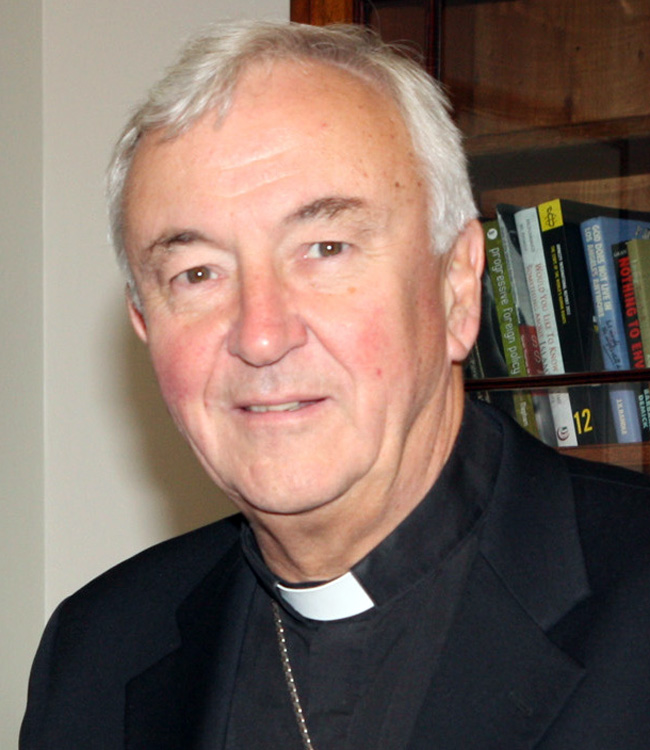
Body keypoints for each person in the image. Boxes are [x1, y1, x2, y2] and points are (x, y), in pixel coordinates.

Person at [21, 20, 650, 749]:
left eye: (325, 248)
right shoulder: (97, 653)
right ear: (145, 324)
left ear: (456, 287)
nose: (261, 335)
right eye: (197, 274)